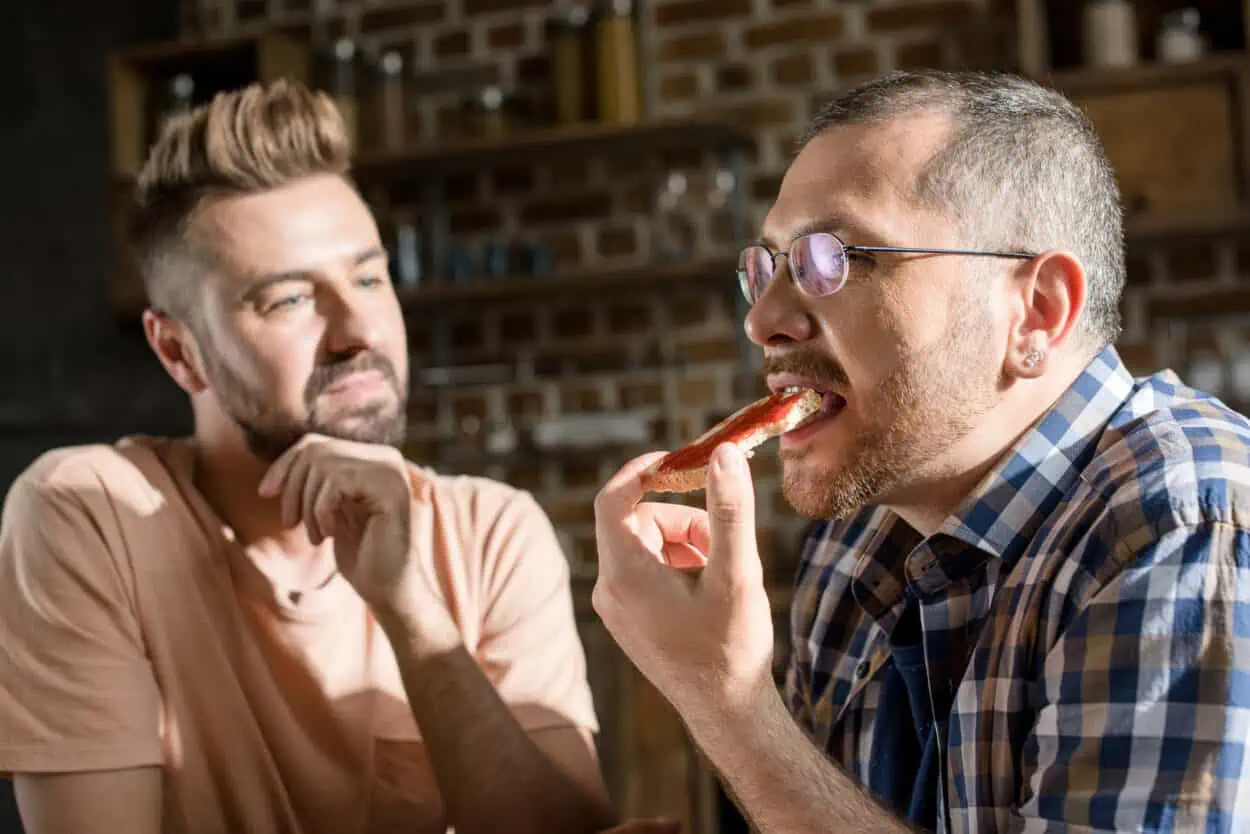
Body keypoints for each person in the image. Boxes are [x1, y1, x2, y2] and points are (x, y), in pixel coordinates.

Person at [591, 68, 1250, 834]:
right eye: (766, 267)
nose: (763, 320)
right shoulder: (851, 545)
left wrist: (727, 701)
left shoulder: (1185, 526)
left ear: (1037, 311)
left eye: (833, 260)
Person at [0, 79, 628, 834]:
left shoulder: (491, 533)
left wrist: (410, 611)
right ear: (179, 352)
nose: (357, 329)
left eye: (368, 276)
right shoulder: (92, 515)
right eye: (289, 299)